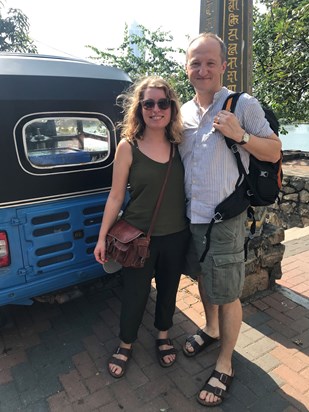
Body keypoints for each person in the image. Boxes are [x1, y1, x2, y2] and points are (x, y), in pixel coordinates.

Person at [179, 33, 282, 407]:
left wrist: (240, 135)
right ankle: (209, 328)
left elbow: (273, 151)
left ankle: (226, 362)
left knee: (228, 292)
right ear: (186, 67)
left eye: (210, 62)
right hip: (191, 217)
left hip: (225, 216)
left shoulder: (243, 104)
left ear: (223, 65)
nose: (202, 69)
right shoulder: (184, 112)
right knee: (206, 279)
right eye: (195, 62)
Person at [94, 76, 190, 378]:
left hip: (176, 234)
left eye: (163, 103)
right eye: (149, 103)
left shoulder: (180, 144)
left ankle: (163, 334)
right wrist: (101, 238)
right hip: (138, 237)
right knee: (135, 293)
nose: (156, 109)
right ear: (140, 108)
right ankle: (126, 343)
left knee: (168, 290)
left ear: (171, 107)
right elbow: (116, 196)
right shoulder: (128, 146)